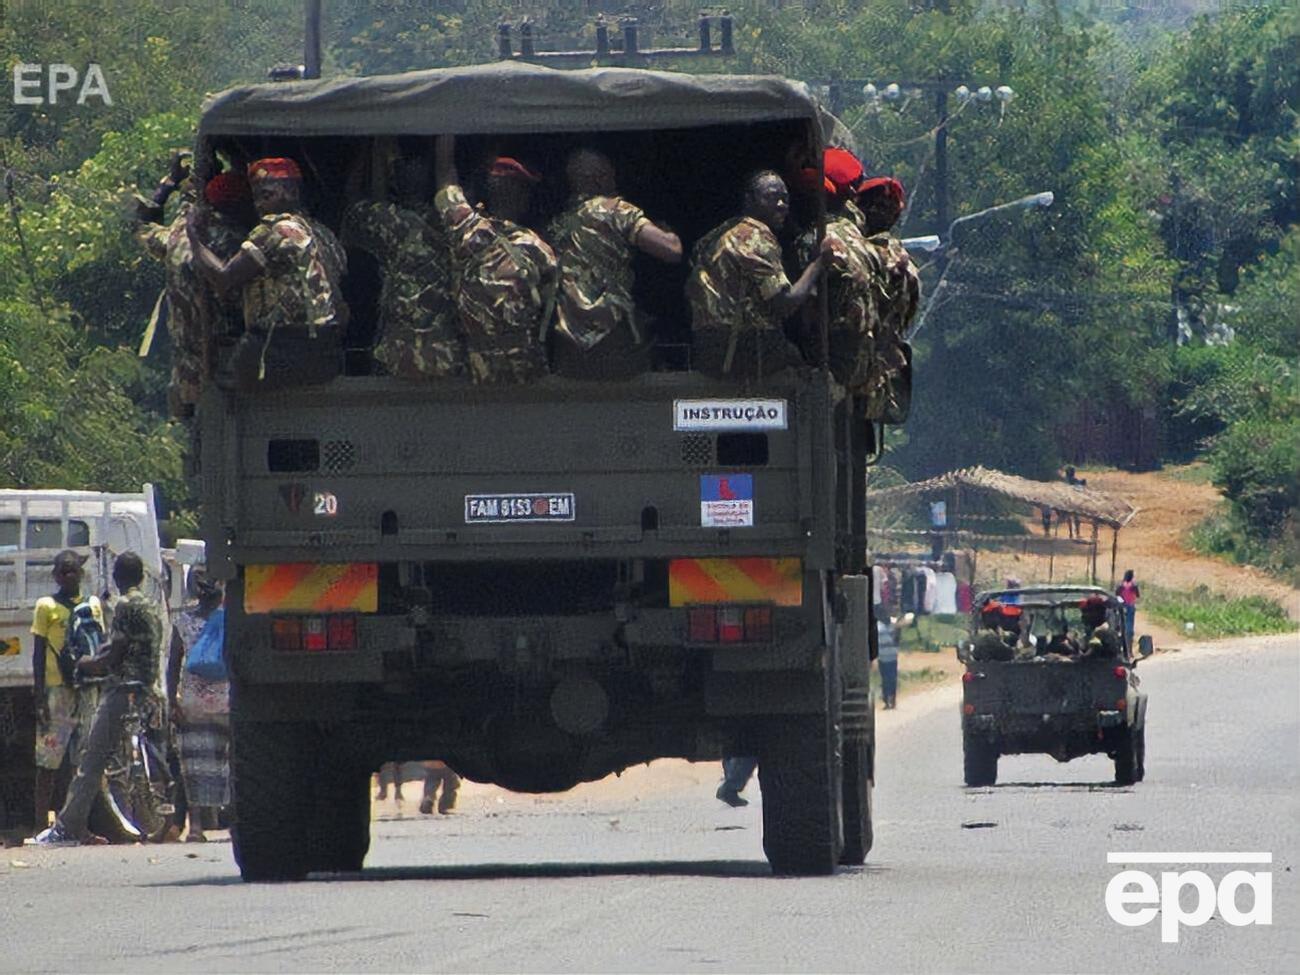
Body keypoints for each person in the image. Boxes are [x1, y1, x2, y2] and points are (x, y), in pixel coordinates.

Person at [30, 552, 164, 846]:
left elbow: (113, 651)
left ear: (116, 577)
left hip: (122, 689)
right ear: (141, 577)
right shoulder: (151, 606)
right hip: (146, 689)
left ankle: (66, 829)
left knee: (91, 762)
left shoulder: (125, 605)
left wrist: (84, 664)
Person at [188, 156, 348, 389]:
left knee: (222, 378)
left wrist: (193, 237)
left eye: (267, 195)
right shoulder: (322, 234)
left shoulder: (274, 229)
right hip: (326, 354)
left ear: (292, 193)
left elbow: (224, 279)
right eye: (256, 198)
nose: (260, 205)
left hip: (283, 354)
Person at [546, 148, 682, 378]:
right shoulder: (616, 211)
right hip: (614, 338)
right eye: (610, 174)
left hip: (567, 342)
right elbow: (670, 251)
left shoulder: (557, 225)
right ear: (599, 178)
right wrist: (670, 233)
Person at [434, 134, 558, 384]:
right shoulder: (539, 248)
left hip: (475, 368)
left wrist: (446, 127)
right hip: (525, 369)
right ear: (525, 196)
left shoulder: (466, 229)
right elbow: (549, 308)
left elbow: (445, 177)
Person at [135, 154, 252, 416]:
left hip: (187, 375)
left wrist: (170, 181)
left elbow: (141, 225)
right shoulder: (243, 243)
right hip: (231, 369)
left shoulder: (178, 237)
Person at [687, 170, 827, 380]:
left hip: (705, 349)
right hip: (744, 351)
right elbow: (785, 304)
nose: (781, 205)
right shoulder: (756, 235)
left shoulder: (714, 236)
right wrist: (819, 263)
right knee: (801, 361)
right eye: (771, 197)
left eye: (785, 199)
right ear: (749, 200)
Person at [340, 155, 463, 378]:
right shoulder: (450, 221)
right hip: (436, 350)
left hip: (405, 349)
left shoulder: (398, 220)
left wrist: (372, 148)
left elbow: (354, 201)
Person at [793, 148, 882, 391]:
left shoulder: (816, 240)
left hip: (833, 358)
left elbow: (807, 306)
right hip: (863, 357)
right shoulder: (858, 236)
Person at [30, 550, 104, 833]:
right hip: (56, 690)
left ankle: (76, 824)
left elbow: (100, 644)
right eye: (64, 571)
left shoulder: (93, 604)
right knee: (47, 760)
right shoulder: (45, 606)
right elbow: (38, 653)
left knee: (82, 762)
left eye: (73, 571)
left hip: (87, 689)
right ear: (56, 575)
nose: (69, 576)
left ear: (81, 574)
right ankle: (39, 824)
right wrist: (39, 696)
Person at [164, 566, 229, 842]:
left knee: (194, 767)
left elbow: (172, 666)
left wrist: (171, 701)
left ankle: (198, 827)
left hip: (192, 703)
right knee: (229, 764)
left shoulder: (182, 622)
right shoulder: (230, 620)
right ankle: (236, 823)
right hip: (226, 700)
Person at [853, 176, 920, 418]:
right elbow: (907, 318)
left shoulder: (856, 255)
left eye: (884, 208)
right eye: (877, 207)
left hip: (858, 369)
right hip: (878, 375)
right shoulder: (905, 263)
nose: (878, 213)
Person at [876, 606, 899, 709]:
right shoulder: (891, 626)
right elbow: (897, 639)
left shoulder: (879, 627)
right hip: (890, 656)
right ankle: (890, 699)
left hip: (885, 657)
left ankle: (889, 700)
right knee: (890, 679)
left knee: (886, 679)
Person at [1116, 569, 1141, 643]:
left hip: (1122, 606)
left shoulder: (1121, 585)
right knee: (1130, 623)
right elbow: (1138, 595)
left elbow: (1116, 594)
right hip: (1130, 605)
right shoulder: (1133, 585)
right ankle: (1129, 638)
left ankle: (1122, 635)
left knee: (1122, 621)